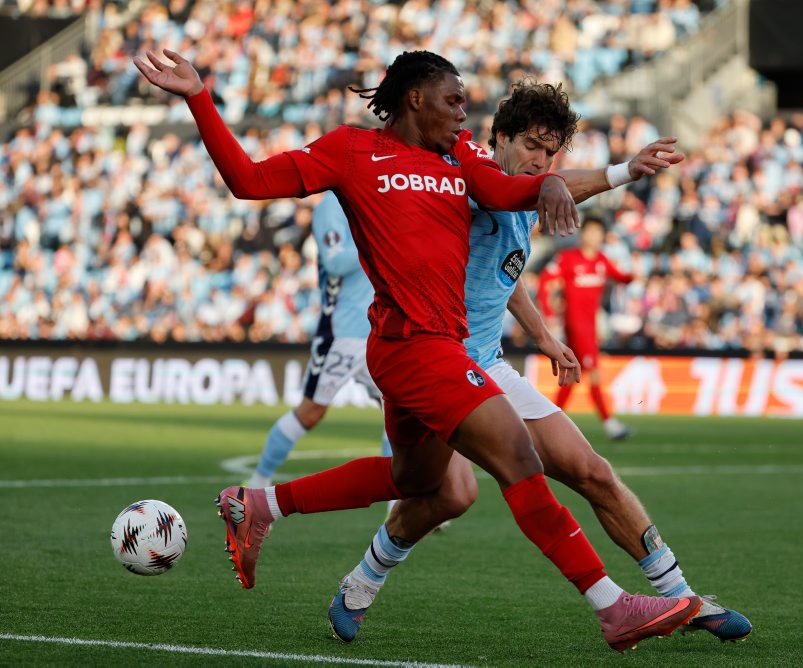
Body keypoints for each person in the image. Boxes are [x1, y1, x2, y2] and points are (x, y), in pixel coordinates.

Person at [134, 49, 699, 652]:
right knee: (518, 459)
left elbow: (513, 191)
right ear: (415, 99)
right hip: (416, 345)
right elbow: (246, 181)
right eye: (454, 101)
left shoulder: (458, 159)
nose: (464, 114)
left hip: (426, 347)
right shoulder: (351, 151)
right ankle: (613, 607)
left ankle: (260, 504)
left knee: (428, 484)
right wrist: (200, 98)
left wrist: (604, 175)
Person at [328, 79, 752, 645]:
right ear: (499, 138)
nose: (541, 160)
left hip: (486, 361)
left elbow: (508, 274)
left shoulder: (530, 195)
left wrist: (546, 338)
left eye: (552, 152)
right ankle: (360, 582)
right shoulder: (470, 172)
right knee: (443, 495)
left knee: (592, 470)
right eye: (531, 144)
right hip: (434, 361)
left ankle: (681, 598)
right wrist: (621, 170)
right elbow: (515, 190)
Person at [246, 193, 389, 490]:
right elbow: (336, 262)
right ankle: (258, 482)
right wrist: (381, 238)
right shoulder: (330, 207)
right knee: (311, 412)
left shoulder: (374, 197)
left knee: (400, 413)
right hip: (342, 335)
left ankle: (399, 507)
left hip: (379, 330)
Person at [538, 218, 635, 439]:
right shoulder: (568, 258)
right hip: (576, 325)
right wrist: (550, 313)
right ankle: (610, 425)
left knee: (572, 375)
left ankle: (550, 421)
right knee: (593, 374)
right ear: (583, 235)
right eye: (590, 232)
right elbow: (545, 280)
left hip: (591, 326)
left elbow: (622, 277)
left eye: (598, 232)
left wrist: (633, 273)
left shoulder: (602, 260)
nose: (593, 237)